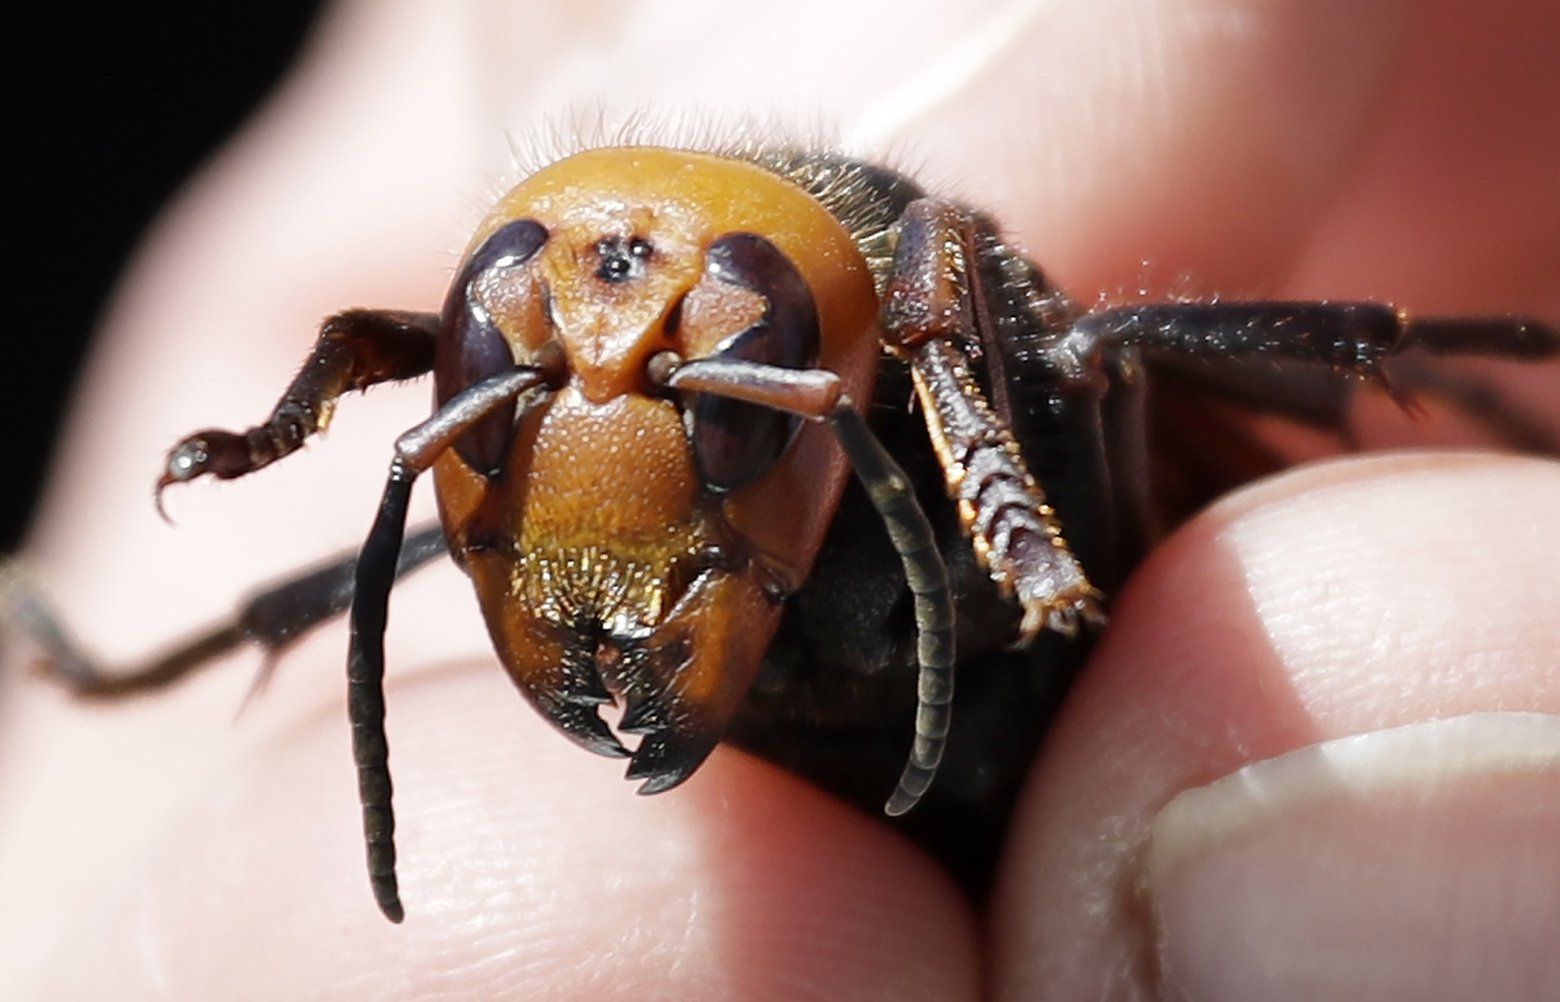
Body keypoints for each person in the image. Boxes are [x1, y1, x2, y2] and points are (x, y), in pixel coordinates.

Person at [2, 1, 1556, 997]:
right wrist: (288, 436)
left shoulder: (935, 309)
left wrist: (990, 469)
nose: (592, 404)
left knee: (1109, 347)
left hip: (1080, 691)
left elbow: (996, 290)